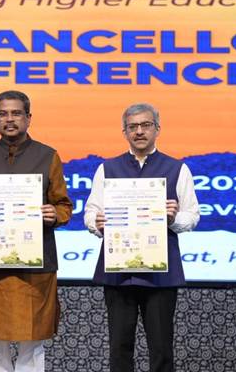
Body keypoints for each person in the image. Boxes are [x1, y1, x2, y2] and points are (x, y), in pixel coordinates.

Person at [0, 90, 73, 372]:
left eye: (16, 113)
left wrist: (54, 214)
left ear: (29, 118)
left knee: (32, 344)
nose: (9, 119)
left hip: (34, 267)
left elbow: (64, 206)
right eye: (3, 114)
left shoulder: (48, 156)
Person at [84, 103, 200, 372]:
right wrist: (96, 223)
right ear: (124, 132)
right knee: (119, 347)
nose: (139, 131)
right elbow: (91, 212)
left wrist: (173, 219)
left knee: (161, 348)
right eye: (132, 126)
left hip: (160, 273)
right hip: (118, 270)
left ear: (157, 129)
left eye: (146, 125)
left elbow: (192, 216)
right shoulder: (107, 169)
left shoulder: (177, 168)